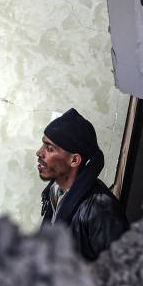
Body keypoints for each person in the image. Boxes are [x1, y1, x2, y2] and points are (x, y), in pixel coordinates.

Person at [37, 108, 128, 261]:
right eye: (42, 145)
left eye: (49, 148)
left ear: (74, 160)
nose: (39, 152)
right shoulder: (53, 193)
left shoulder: (100, 209)